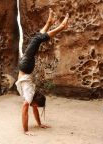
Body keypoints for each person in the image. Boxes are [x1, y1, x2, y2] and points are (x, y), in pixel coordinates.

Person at [15, 8, 69, 136]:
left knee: (36, 40)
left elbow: (33, 109)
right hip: (25, 67)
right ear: (35, 102)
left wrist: (39, 124)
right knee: (36, 40)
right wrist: (26, 130)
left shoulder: (32, 96)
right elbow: (25, 111)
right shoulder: (29, 96)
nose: (35, 108)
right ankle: (61, 27)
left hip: (27, 67)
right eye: (36, 106)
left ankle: (49, 23)